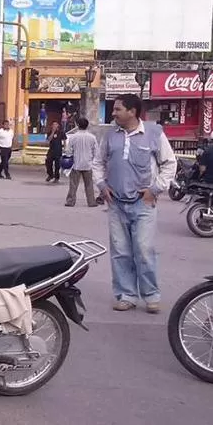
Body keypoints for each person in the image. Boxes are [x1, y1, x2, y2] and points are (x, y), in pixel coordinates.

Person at [92, 93, 176, 314]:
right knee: (120, 252)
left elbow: (169, 163)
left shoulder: (154, 133)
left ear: (132, 111)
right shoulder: (110, 136)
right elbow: (98, 163)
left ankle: (151, 296)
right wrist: (102, 185)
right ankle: (126, 295)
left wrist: (155, 189)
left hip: (143, 204)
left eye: (118, 109)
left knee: (144, 250)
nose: (113, 113)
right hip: (116, 203)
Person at [64, 117, 99, 207]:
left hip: (76, 164)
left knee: (73, 184)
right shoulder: (92, 137)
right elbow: (96, 152)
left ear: (78, 125)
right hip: (88, 164)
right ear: (87, 126)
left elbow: (68, 151)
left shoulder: (73, 137)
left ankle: (70, 201)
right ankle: (91, 202)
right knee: (89, 184)